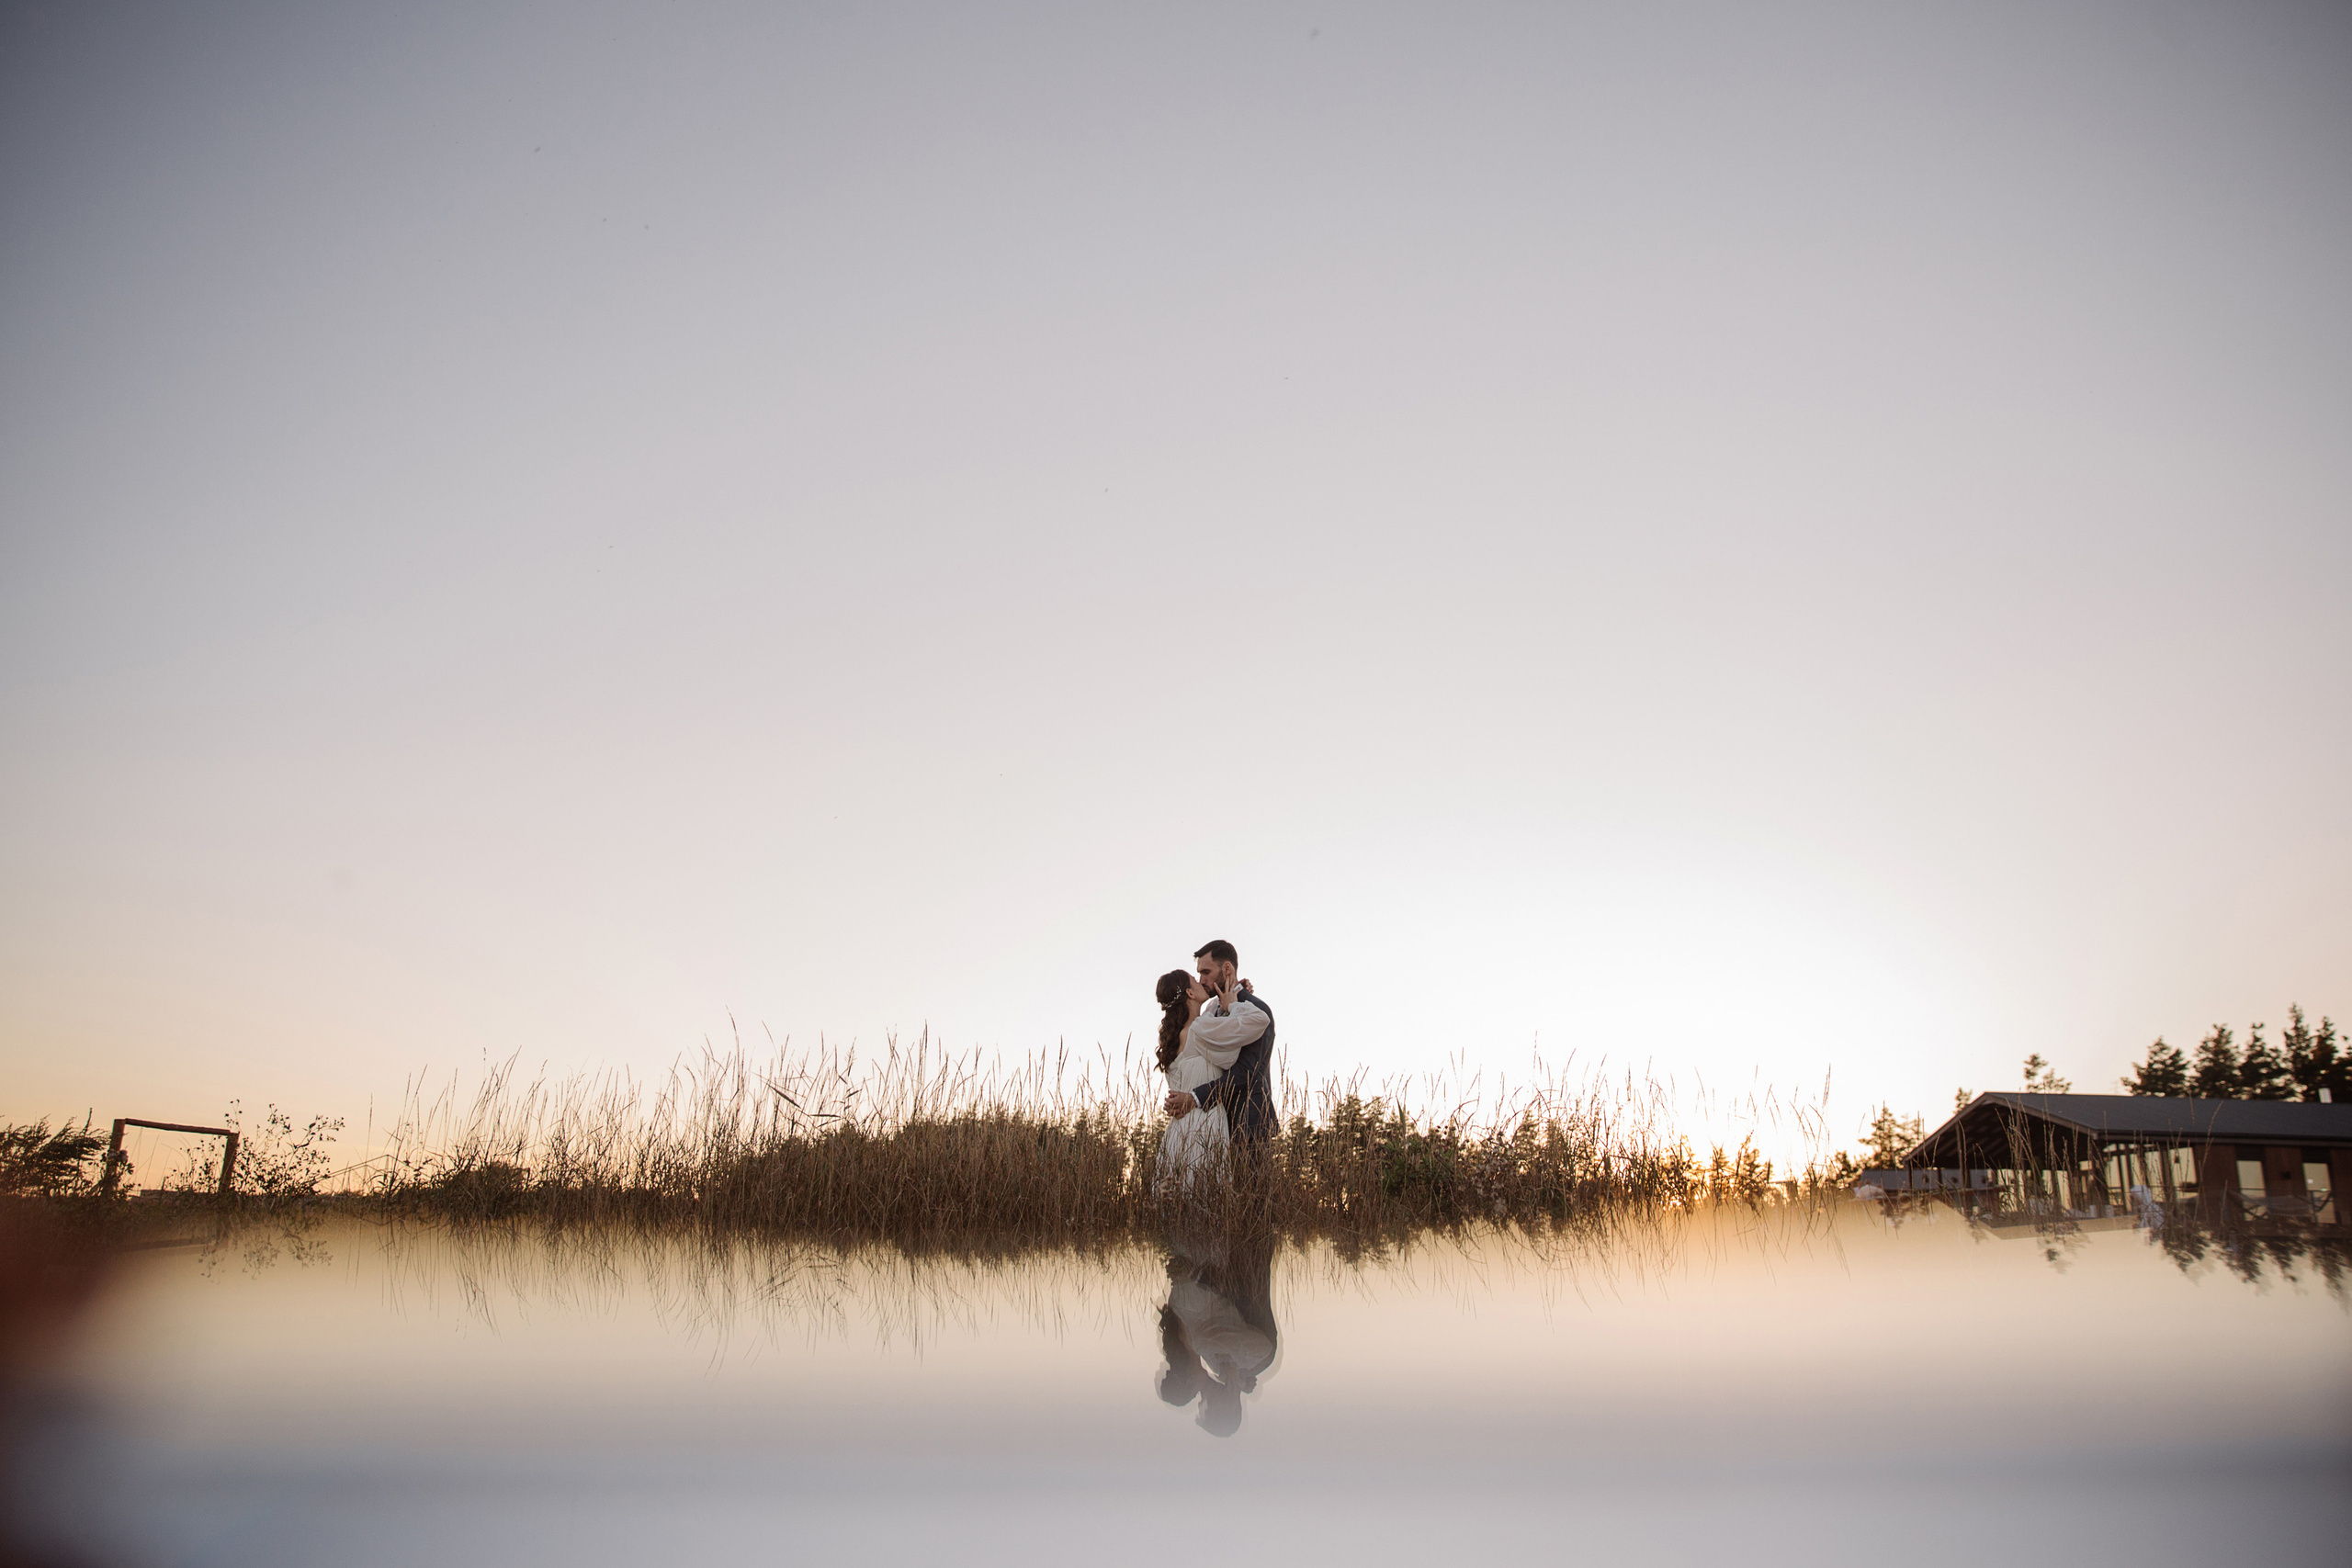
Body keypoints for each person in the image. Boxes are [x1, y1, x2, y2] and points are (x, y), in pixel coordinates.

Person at [1164, 940, 1276, 1163]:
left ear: (1226, 969)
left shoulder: (1257, 1009)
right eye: (1198, 974)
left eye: (1206, 972)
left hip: (1248, 1126)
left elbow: (1246, 1072)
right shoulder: (1210, 1010)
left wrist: (1194, 1098)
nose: (1201, 980)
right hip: (1211, 1127)